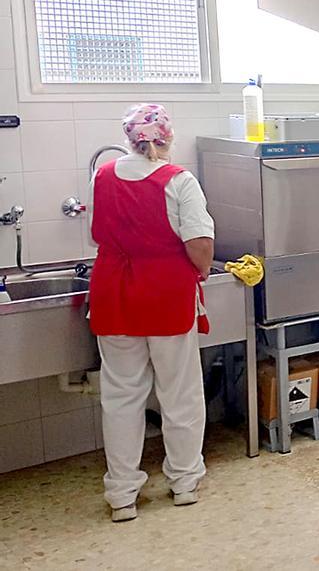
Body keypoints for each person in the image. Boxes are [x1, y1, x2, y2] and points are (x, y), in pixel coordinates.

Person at [89, 104, 214, 523]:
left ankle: (122, 496)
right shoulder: (178, 180)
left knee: (121, 397)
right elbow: (199, 243)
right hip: (165, 295)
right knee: (179, 394)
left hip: (114, 294)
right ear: (166, 138)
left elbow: (97, 234)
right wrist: (201, 271)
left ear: (128, 138)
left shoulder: (102, 175)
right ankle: (184, 482)